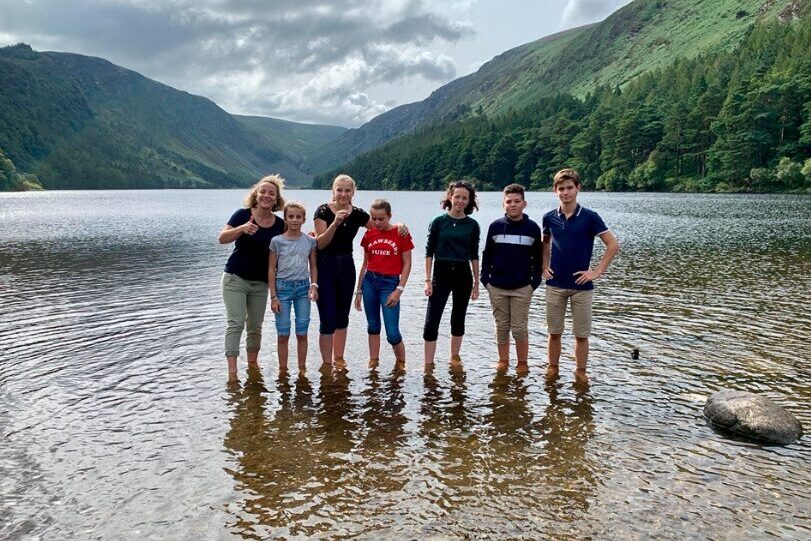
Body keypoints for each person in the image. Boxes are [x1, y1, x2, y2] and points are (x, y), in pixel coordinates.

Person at [313, 174, 407, 366]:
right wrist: (335, 224)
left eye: (348, 190)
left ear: (353, 192)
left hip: (347, 266)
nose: (343, 194)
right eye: (339, 189)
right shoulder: (322, 211)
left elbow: (381, 227)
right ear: (333, 191)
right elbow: (320, 244)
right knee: (327, 317)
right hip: (326, 266)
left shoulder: (358, 214)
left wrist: (400, 226)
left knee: (342, 316)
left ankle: (338, 359)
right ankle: (326, 364)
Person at [542, 168, 619, 384]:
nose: (565, 193)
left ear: (578, 188)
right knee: (554, 332)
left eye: (569, 188)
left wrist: (597, 271)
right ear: (555, 191)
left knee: (581, 335)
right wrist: (543, 266)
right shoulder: (549, 217)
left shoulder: (590, 217)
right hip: (555, 283)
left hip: (581, 286)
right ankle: (553, 368)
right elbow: (545, 242)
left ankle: (580, 371)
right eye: (561, 189)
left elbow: (613, 245)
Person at [218, 174, 286, 380]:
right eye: (262, 192)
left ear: (276, 200)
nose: (266, 195)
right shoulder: (242, 215)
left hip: (260, 284)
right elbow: (222, 239)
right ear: (256, 195)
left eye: (271, 193)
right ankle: (232, 372)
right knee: (236, 323)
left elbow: (289, 246)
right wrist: (241, 229)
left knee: (255, 327)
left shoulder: (279, 225)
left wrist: (308, 240)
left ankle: (252, 366)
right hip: (235, 278)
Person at [481, 183, 542, 373]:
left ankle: (522, 363)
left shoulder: (532, 228)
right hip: (497, 286)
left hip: (522, 287)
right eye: (509, 201)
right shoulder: (495, 226)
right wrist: (486, 280)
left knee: (519, 327)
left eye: (517, 201)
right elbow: (487, 254)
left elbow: (538, 258)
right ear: (503, 204)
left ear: (524, 203)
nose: (512, 205)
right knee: (501, 326)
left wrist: (534, 283)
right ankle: (503, 361)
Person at [423, 180, 480, 366]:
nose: (460, 201)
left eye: (465, 198)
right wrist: (427, 280)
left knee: (458, 317)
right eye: (457, 197)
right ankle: (428, 364)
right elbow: (429, 252)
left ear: (469, 200)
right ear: (450, 197)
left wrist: (477, 283)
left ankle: (454, 359)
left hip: (463, 274)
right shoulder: (438, 222)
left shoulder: (472, 225)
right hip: (441, 272)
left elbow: (474, 254)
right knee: (432, 319)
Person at [353, 199, 413, 370]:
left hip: (390, 284)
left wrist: (399, 289)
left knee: (393, 333)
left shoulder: (401, 234)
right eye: (374, 218)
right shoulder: (369, 234)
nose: (377, 223)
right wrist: (358, 291)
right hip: (370, 282)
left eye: (381, 219)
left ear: (389, 216)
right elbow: (365, 264)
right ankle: (374, 361)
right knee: (372, 326)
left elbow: (407, 263)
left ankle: (401, 364)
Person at [268, 202, 318, 371]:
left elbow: (313, 266)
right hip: (282, 290)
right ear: (286, 219)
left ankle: (302, 370)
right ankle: (283, 371)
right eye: (291, 216)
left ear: (304, 219)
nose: (295, 220)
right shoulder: (277, 241)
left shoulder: (310, 241)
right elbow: (271, 269)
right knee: (283, 334)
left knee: (302, 333)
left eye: (298, 217)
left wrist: (314, 285)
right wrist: (273, 296)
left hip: (303, 289)